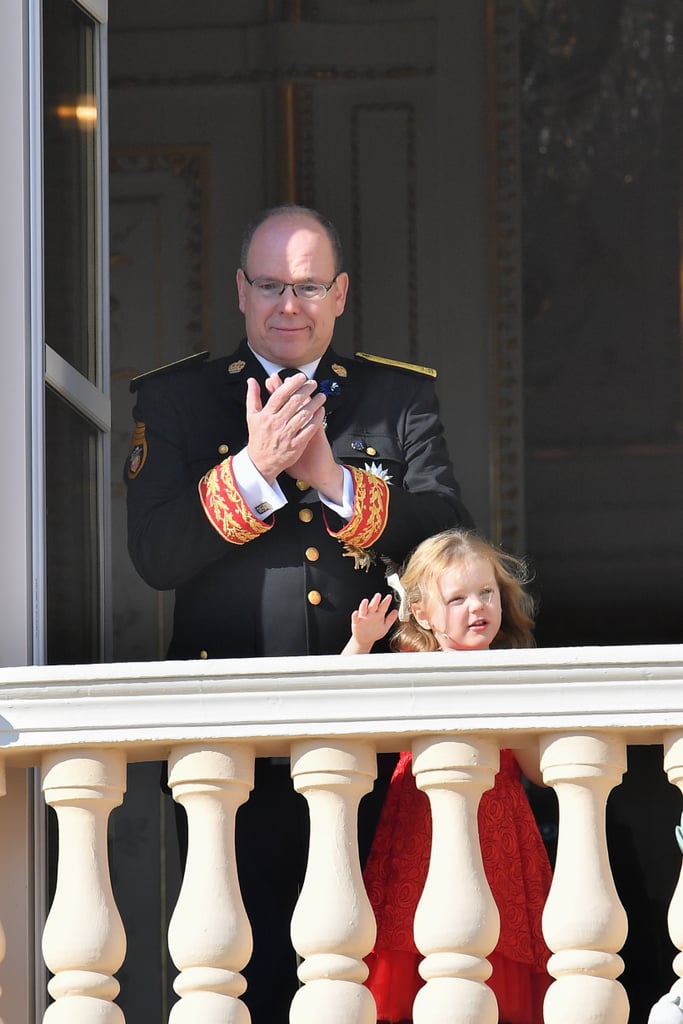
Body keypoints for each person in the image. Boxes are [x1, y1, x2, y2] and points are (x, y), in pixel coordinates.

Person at [124, 204, 473, 1023]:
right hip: (228, 735)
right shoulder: (176, 401)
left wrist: (333, 478)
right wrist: (254, 469)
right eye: (272, 284)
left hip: (373, 728)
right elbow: (155, 557)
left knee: (377, 956)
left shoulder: (397, 398)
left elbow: (449, 534)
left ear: (340, 293)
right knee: (243, 963)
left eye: (308, 284)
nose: (290, 303)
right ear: (241, 291)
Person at [343, 528, 553, 1024]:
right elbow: (342, 713)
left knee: (496, 967)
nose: (476, 606)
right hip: (423, 834)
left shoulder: (510, 676)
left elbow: (540, 774)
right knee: (423, 963)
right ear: (423, 614)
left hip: (498, 837)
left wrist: (514, 710)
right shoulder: (411, 670)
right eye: (456, 598)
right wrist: (360, 643)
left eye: (486, 592)